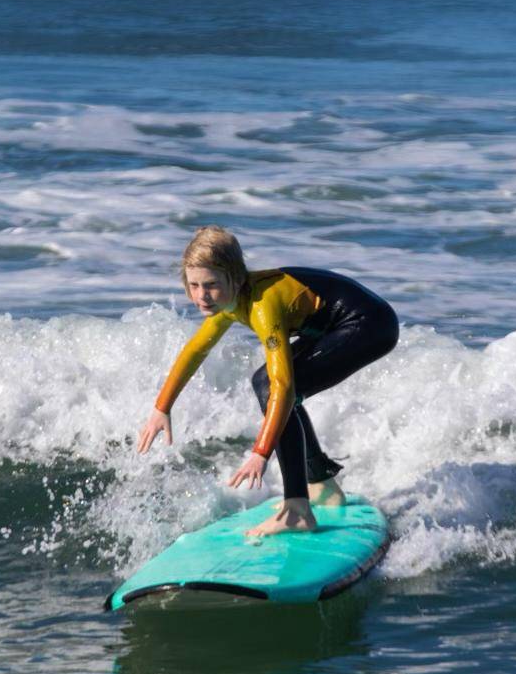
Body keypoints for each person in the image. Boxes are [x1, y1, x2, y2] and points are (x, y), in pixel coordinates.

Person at [136, 226, 399, 536]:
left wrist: (261, 453)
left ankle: (297, 509)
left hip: (369, 325)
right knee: (264, 382)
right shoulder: (230, 302)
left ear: (235, 278)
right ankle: (321, 486)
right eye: (193, 285)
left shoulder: (262, 306)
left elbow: (284, 388)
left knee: (277, 388)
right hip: (337, 325)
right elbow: (195, 351)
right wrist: (161, 407)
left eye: (210, 286)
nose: (201, 296)